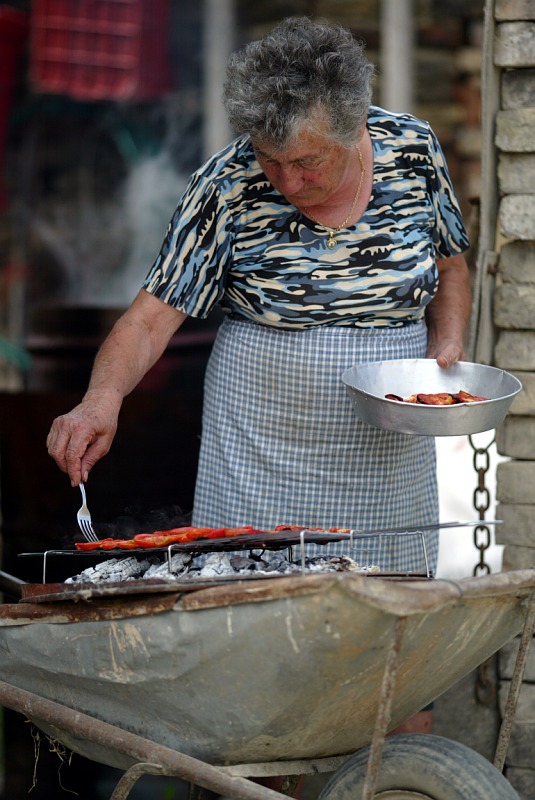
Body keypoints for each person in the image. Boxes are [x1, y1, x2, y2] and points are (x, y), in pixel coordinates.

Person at [47, 16, 470, 758]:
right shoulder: (227, 182)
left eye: (307, 162)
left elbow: (451, 265)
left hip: (386, 447)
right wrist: (99, 399)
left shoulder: (411, 149)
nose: (287, 180)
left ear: (354, 128)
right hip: (262, 443)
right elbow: (151, 318)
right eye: (271, 162)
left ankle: (398, 769)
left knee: (391, 656)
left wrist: (443, 357)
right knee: (259, 668)